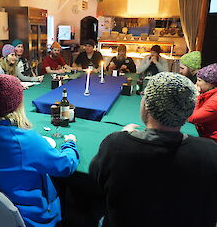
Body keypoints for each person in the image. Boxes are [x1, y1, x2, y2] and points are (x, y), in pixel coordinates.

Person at [90, 72, 217, 227]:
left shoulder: (115, 145)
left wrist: (122, 137)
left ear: (146, 106)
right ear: (188, 110)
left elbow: (96, 178)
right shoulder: (210, 152)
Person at [0, 74, 79, 227]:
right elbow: (65, 166)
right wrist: (70, 144)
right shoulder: (26, 141)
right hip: (24, 220)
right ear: (17, 103)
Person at [189, 63, 217, 141]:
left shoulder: (215, 100)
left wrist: (196, 96)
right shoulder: (209, 94)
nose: (196, 83)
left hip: (212, 140)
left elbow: (193, 118)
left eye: (199, 80)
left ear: (211, 83)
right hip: (204, 134)